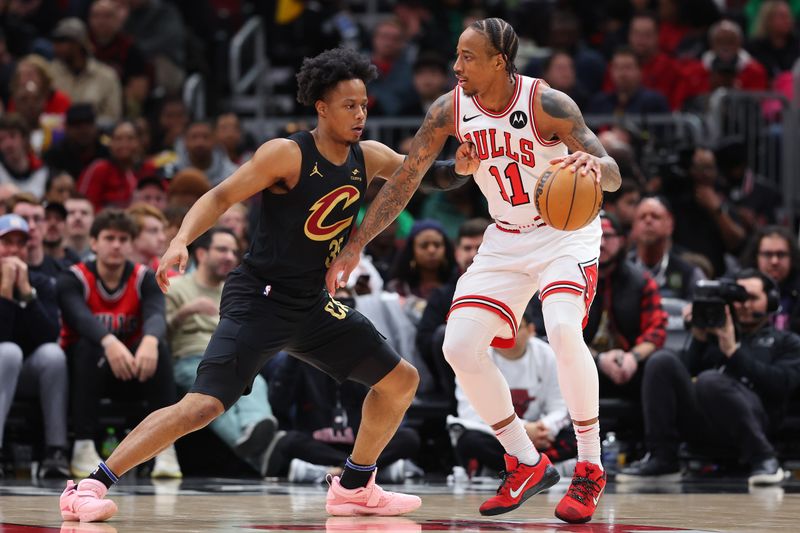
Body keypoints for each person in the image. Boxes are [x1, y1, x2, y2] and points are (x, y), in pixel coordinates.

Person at [59, 47, 474, 522]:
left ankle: (355, 486)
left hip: (311, 304)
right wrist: (180, 240)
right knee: (201, 407)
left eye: (364, 105)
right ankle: (88, 485)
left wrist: (460, 167)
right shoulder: (286, 154)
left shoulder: (369, 156)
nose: (360, 115)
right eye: (348, 106)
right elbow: (219, 195)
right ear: (321, 107)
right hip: (260, 298)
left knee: (401, 381)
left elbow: (420, 175)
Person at [328, 17, 621, 523]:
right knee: (458, 347)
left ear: (499, 62)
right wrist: (356, 244)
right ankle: (525, 462)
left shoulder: (547, 104)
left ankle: (590, 467)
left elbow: (612, 173)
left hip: (565, 236)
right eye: (457, 55)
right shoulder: (449, 110)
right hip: (505, 237)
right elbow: (406, 181)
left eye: (468, 56)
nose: (456, 65)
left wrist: (594, 167)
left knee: (562, 328)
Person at [617, 270, 800, 485]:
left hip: (757, 425)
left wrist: (733, 352)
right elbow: (683, 375)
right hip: (704, 425)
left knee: (710, 381)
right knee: (661, 361)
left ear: (771, 302)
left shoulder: (786, 342)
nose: (743, 305)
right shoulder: (715, 336)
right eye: (737, 298)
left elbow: (782, 385)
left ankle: (764, 458)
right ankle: (663, 459)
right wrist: (699, 339)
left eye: (751, 298)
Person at [57, 209, 179, 479]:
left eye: (123, 239)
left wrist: (150, 339)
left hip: (134, 371)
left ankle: (166, 448)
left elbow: (157, 313)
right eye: (109, 238)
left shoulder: (144, 277)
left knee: (158, 348)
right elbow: (79, 317)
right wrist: (109, 342)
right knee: (91, 346)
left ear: (131, 244)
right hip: (86, 371)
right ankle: (83, 445)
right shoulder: (73, 278)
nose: (116, 245)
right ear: (94, 243)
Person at [166, 227, 278, 472]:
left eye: (233, 251)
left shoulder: (235, 291)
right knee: (215, 395)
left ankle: (253, 428)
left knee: (256, 382)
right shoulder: (176, 287)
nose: (230, 256)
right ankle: (259, 446)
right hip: (189, 359)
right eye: (222, 249)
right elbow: (159, 336)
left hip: (232, 357)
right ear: (202, 254)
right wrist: (186, 312)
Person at [0, 214, 70, 479]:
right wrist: (6, 291)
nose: (14, 250)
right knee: (8, 351)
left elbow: (49, 333)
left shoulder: (40, 282)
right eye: (7, 243)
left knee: (53, 355)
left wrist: (26, 293)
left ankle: (56, 450)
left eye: (20, 244)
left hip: (26, 373)